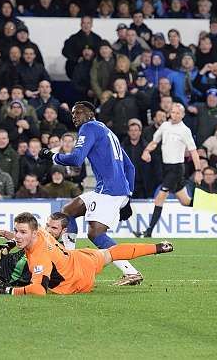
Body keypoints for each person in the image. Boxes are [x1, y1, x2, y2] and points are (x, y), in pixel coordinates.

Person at [41, 100, 142, 286]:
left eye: (78, 112)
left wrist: (52, 155)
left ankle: (131, 272)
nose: (74, 116)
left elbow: (77, 159)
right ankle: (68, 259)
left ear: (90, 114)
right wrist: (128, 196)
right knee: (68, 212)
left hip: (109, 192)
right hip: (112, 190)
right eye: (72, 113)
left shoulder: (89, 128)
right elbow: (130, 167)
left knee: (96, 235)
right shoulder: (108, 132)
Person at [0, 212, 173, 296]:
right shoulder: (40, 232)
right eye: (16, 231)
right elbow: (22, 237)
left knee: (32, 282)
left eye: (21, 232)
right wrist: (8, 241)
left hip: (75, 282)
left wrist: (7, 290)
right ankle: (158, 247)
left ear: (34, 232)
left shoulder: (39, 257)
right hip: (81, 260)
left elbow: (39, 290)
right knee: (110, 254)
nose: (18, 235)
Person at [137, 103, 203, 237]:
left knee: (159, 198)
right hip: (166, 168)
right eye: (173, 112)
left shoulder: (185, 130)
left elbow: (193, 152)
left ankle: (148, 232)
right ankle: (216, 205)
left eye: (178, 113)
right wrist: (146, 151)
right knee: (185, 201)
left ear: (183, 115)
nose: (175, 115)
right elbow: (155, 141)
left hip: (176, 169)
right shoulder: (165, 126)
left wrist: (198, 171)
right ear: (170, 113)